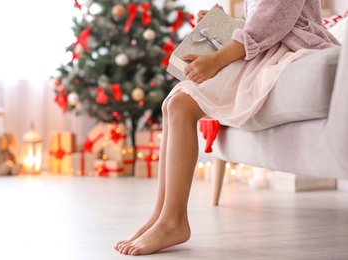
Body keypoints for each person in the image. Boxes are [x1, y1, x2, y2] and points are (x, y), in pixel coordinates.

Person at [114, 0, 340, 256]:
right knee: (174, 105)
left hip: (288, 50)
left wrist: (216, 59)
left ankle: (173, 221)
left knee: (181, 105)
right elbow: (266, 22)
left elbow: (269, 24)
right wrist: (225, 26)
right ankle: (161, 215)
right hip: (266, 47)